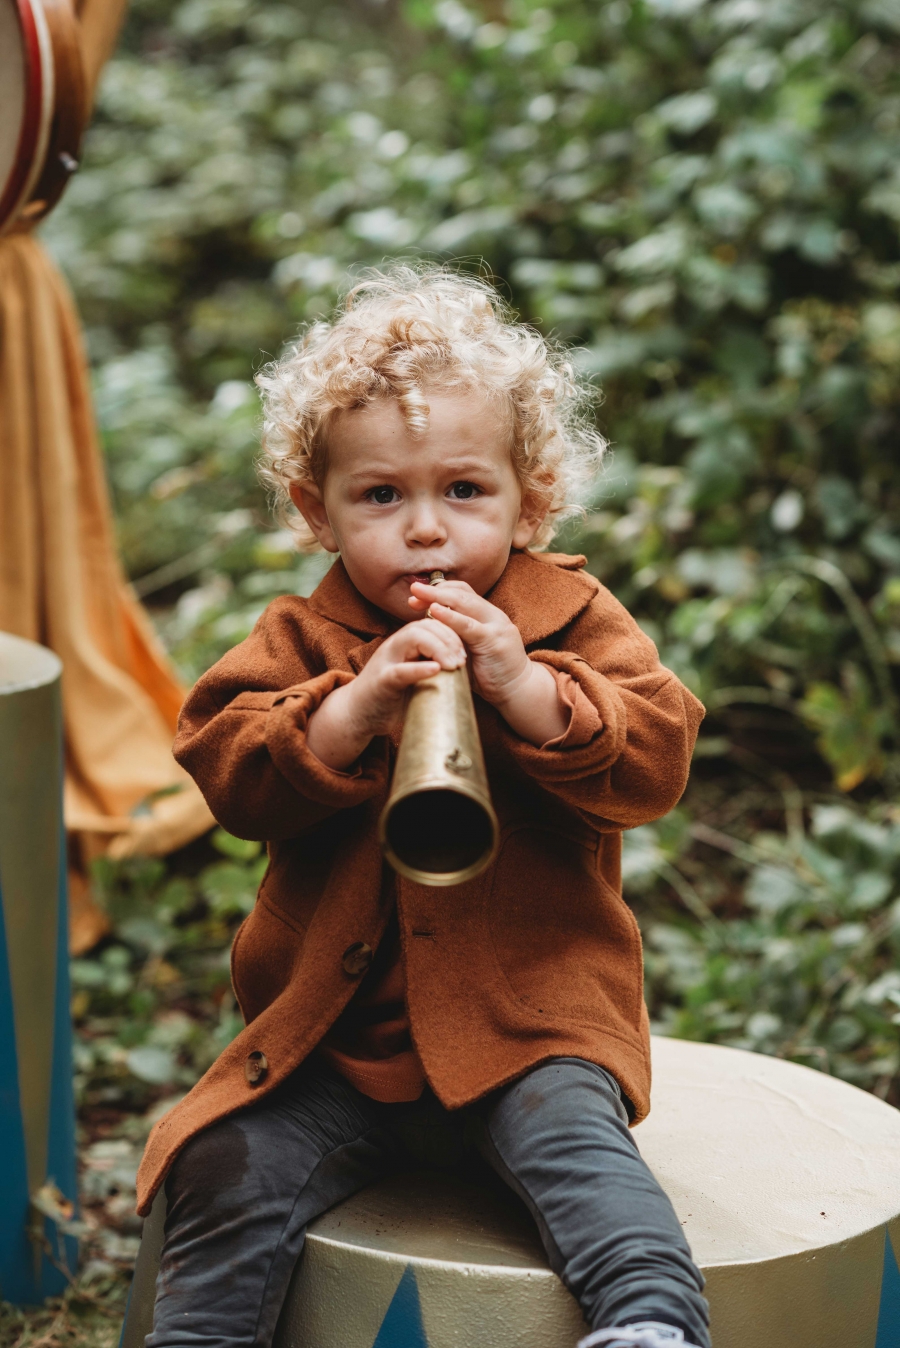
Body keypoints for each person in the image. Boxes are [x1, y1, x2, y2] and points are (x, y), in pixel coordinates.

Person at [136, 267, 710, 1348]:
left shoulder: (570, 616)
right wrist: (349, 709)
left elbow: (658, 757)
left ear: (527, 496)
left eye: (464, 491)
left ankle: (649, 1321)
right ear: (318, 509)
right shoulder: (301, 640)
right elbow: (226, 764)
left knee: (586, 1158)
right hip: (335, 1048)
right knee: (223, 1163)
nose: (427, 532)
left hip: (527, 1027)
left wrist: (528, 688)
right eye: (382, 496)